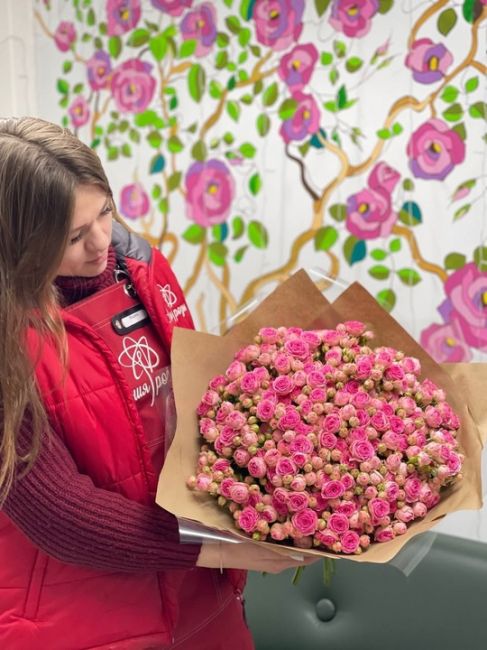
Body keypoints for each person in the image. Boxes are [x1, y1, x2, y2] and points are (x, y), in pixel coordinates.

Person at [0, 117, 313, 650]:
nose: (101, 242)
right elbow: (61, 514)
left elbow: (198, 409)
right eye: (73, 236)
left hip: (201, 602)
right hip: (79, 618)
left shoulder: (140, 269)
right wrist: (225, 548)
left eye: (105, 212)